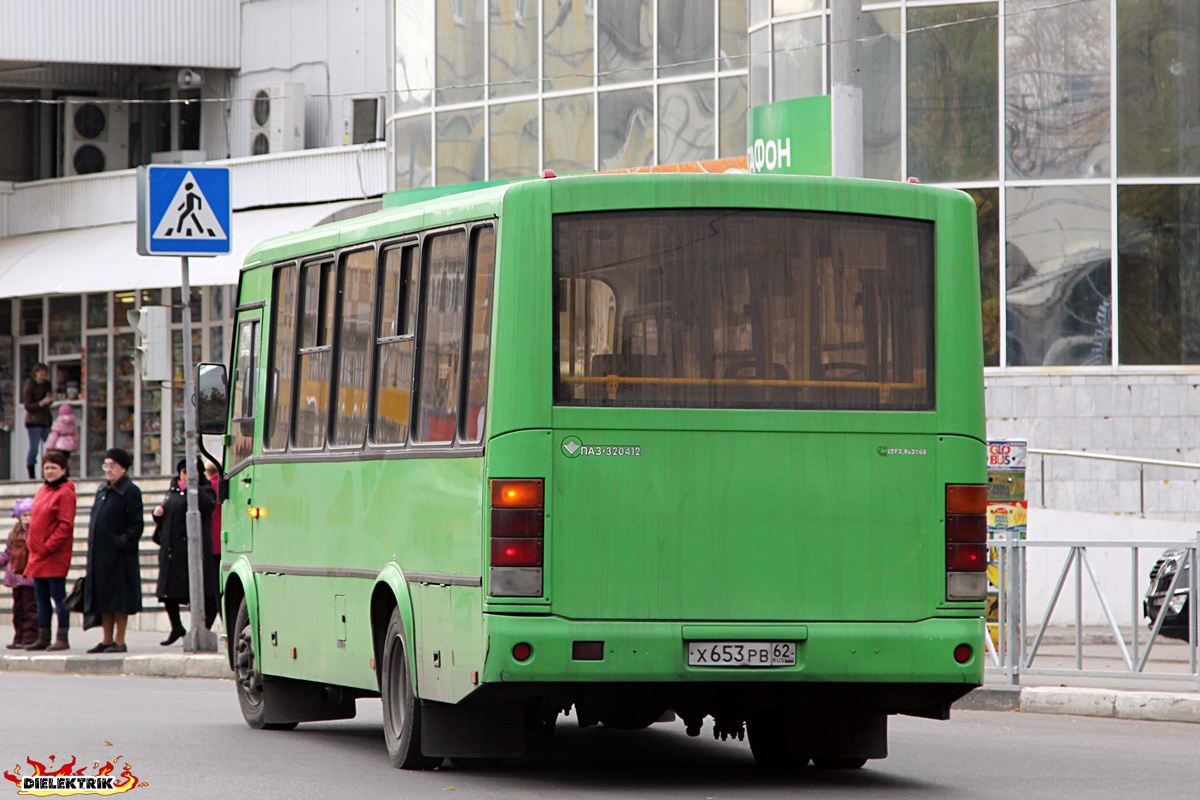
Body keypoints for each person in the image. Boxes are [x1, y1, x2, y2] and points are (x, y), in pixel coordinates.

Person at [83, 448, 143, 654]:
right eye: (105, 465)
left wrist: (121, 542)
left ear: (123, 469)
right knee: (104, 599)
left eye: (112, 466)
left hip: (120, 557)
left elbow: (136, 525)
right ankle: (106, 639)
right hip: (100, 556)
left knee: (119, 600)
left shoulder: (130, 491)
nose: (108, 470)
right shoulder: (103, 490)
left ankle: (120, 640)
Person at [152, 458, 217, 645]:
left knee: (205, 594)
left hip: (195, 551)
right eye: (184, 472)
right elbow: (168, 514)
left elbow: (207, 506)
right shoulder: (172, 490)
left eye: (192, 472)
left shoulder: (203, 490)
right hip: (172, 551)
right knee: (167, 593)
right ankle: (176, 627)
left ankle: (202, 629)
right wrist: (157, 514)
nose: (188, 476)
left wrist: (192, 489)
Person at [22, 450, 76, 651]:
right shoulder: (43, 490)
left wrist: (47, 546)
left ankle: (62, 636)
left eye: (54, 467)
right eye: (46, 467)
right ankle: (43, 635)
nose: (49, 471)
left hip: (53, 555)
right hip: (38, 555)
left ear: (63, 469)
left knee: (58, 596)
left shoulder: (66, 493)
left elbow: (65, 526)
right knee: (41, 598)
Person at [0, 498, 36, 649]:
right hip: (16, 577)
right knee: (18, 609)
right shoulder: (14, 534)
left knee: (30, 609)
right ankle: (18, 636)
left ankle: (30, 637)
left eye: (30, 515)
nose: (27, 519)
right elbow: (8, 554)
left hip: (30, 578)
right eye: (24, 515)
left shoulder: (36, 533)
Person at [21, 363, 52, 480]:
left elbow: (49, 398)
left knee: (51, 446)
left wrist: (49, 400)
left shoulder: (47, 384)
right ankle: (31, 474)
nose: (43, 377)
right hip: (33, 421)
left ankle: (50, 470)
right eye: (41, 374)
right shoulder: (30, 385)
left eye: (45, 374)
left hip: (45, 420)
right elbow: (28, 405)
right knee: (34, 448)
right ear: (36, 374)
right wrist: (41, 403)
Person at [204, 459, 222, 597]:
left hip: (211, 539)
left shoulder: (208, 487)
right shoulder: (223, 485)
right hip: (224, 539)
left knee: (214, 581)